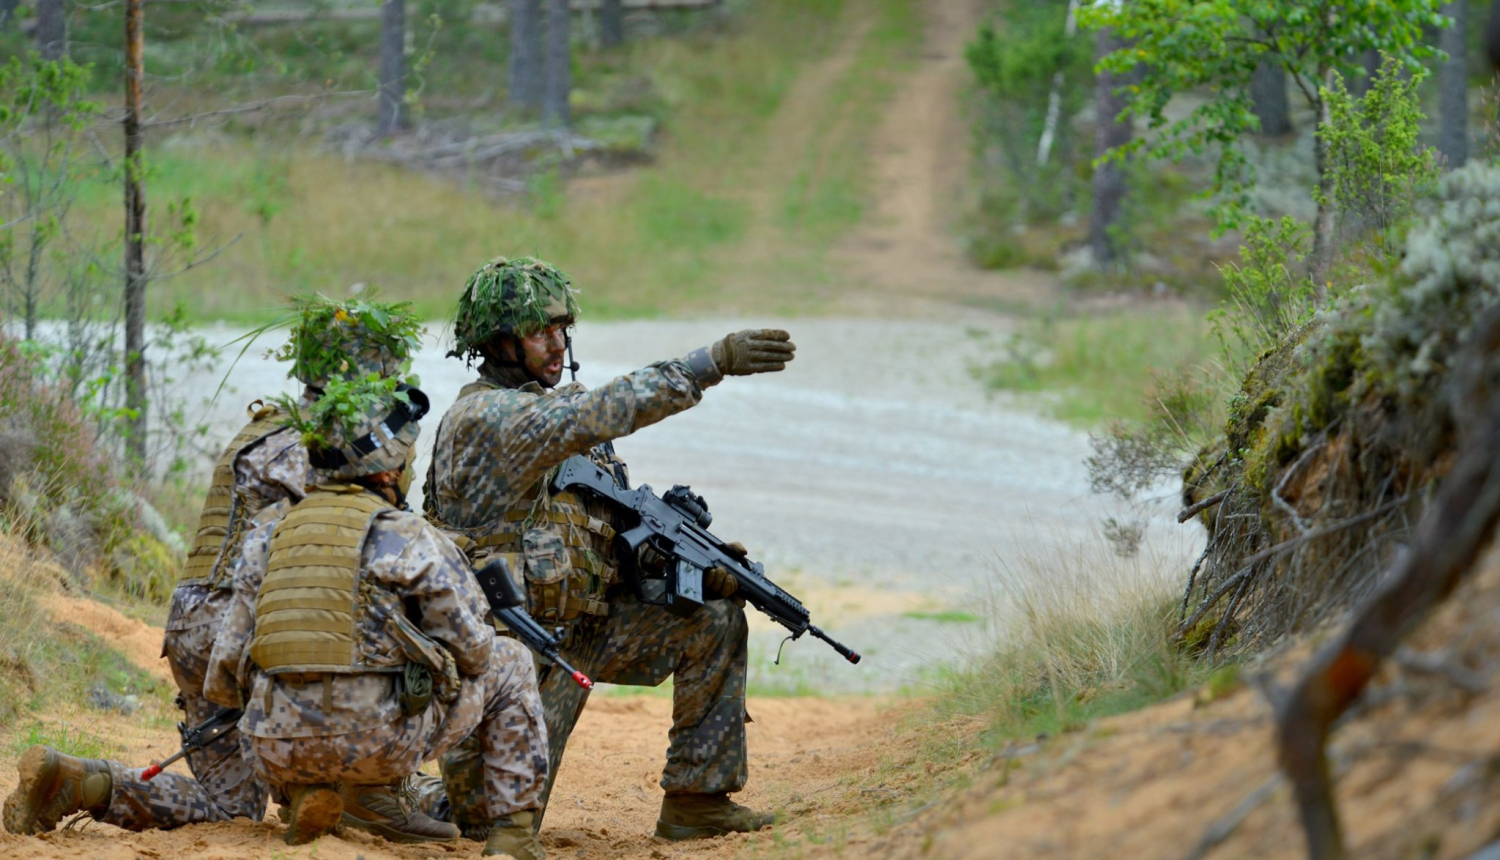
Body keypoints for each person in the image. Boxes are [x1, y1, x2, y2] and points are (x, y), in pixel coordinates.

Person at [1, 297, 451, 843]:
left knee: (229, 806)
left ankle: (83, 782)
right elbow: (339, 559)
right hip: (243, 624)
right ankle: (358, 793)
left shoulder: (266, 427)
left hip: (194, 621)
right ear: (368, 376)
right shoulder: (320, 446)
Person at [421, 255, 794, 841]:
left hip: (580, 633)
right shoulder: (487, 418)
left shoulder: (556, 422)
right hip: (515, 661)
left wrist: (681, 567)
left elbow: (603, 538)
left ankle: (697, 801)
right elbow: (597, 411)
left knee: (713, 619)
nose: (556, 341)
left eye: (562, 327)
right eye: (539, 329)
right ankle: (395, 790)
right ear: (498, 341)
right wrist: (710, 363)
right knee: (486, 826)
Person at [203, 371, 550, 857]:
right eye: (407, 460)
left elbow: (221, 676)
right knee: (510, 660)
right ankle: (513, 836)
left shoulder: (266, 534)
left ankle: (308, 789)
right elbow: (474, 653)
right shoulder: (408, 534)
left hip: (273, 749)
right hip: (376, 744)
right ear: (387, 473)